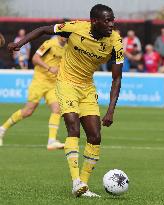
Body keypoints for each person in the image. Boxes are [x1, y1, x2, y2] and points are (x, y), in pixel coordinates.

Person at [7, 4, 124, 198]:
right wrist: (20, 43)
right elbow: (44, 29)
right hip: (66, 83)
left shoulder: (115, 42)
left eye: (113, 20)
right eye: (107, 20)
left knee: (95, 136)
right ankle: (76, 182)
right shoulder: (76, 28)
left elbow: (117, 78)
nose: (112, 24)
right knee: (73, 128)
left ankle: (84, 185)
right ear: (94, 21)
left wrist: (111, 110)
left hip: (87, 88)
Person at [0, 36, 67, 150]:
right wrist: (49, 68)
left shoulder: (67, 47)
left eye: (68, 34)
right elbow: (35, 59)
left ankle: (51, 141)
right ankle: (2, 129)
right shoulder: (49, 44)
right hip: (39, 81)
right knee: (28, 111)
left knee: (57, 109)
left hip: (53, 84)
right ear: (59, 34)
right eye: (64, 34)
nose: (66, 37)